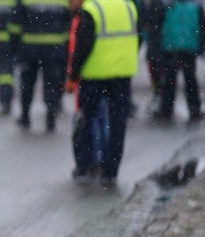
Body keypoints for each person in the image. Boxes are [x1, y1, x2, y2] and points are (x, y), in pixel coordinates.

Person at [66, 0, 139, 185]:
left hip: (95, 73)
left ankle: (85, 165)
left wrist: (73, 74)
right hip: (122, 72)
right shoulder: (128, 6)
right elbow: (139, 36)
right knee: (118, 122)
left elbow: (82, 46)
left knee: (87, 119)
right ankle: (111, 171)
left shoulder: (92, 9)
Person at [65, 0, 109, 176]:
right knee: (100, 119)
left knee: (90, 120)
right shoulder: (95, 12)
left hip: (90, 75)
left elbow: (79, 49)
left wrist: (72, 76)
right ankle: (101, 161)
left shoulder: (85, 16)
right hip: (105, 74)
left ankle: (93, 161)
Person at [14, 0, 71, 131]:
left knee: (27, 84)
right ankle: (51, 117)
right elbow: (68, 23)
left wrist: (14, 47)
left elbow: (16, 24)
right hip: (54, 49)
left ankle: (25, 116)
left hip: (30, 48)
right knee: (52, 84)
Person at [153, 0, 205, 122]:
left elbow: (202, 27)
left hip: (184, 47)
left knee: (188, 79)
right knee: (172, 79)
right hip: (173, 47)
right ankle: (169, 109)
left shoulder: (193, 6)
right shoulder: (168, 5)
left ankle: (191, 109)